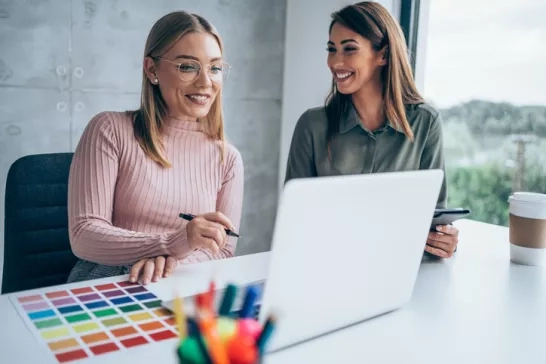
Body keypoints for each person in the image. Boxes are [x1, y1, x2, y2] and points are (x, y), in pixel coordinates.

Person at [67, 11, 244, 284]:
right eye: (188, 66)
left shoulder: (227, 158)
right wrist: (172, 243)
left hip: (181, 284)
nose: (206, 82)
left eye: (215, 68)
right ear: (152, 70)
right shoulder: (109, 129)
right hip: (107, 281)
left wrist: (168, 262)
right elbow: (84, 234)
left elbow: (222, 251)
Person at [284, 1, 458, 259]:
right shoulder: (311, 126)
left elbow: (434, 217)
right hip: (327, 267)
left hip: (401, 273)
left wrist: (444, 240)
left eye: (349, 49)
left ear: (383, 55)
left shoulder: (425, 122)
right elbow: (294, 222)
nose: (336, 62)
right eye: (332, 49)